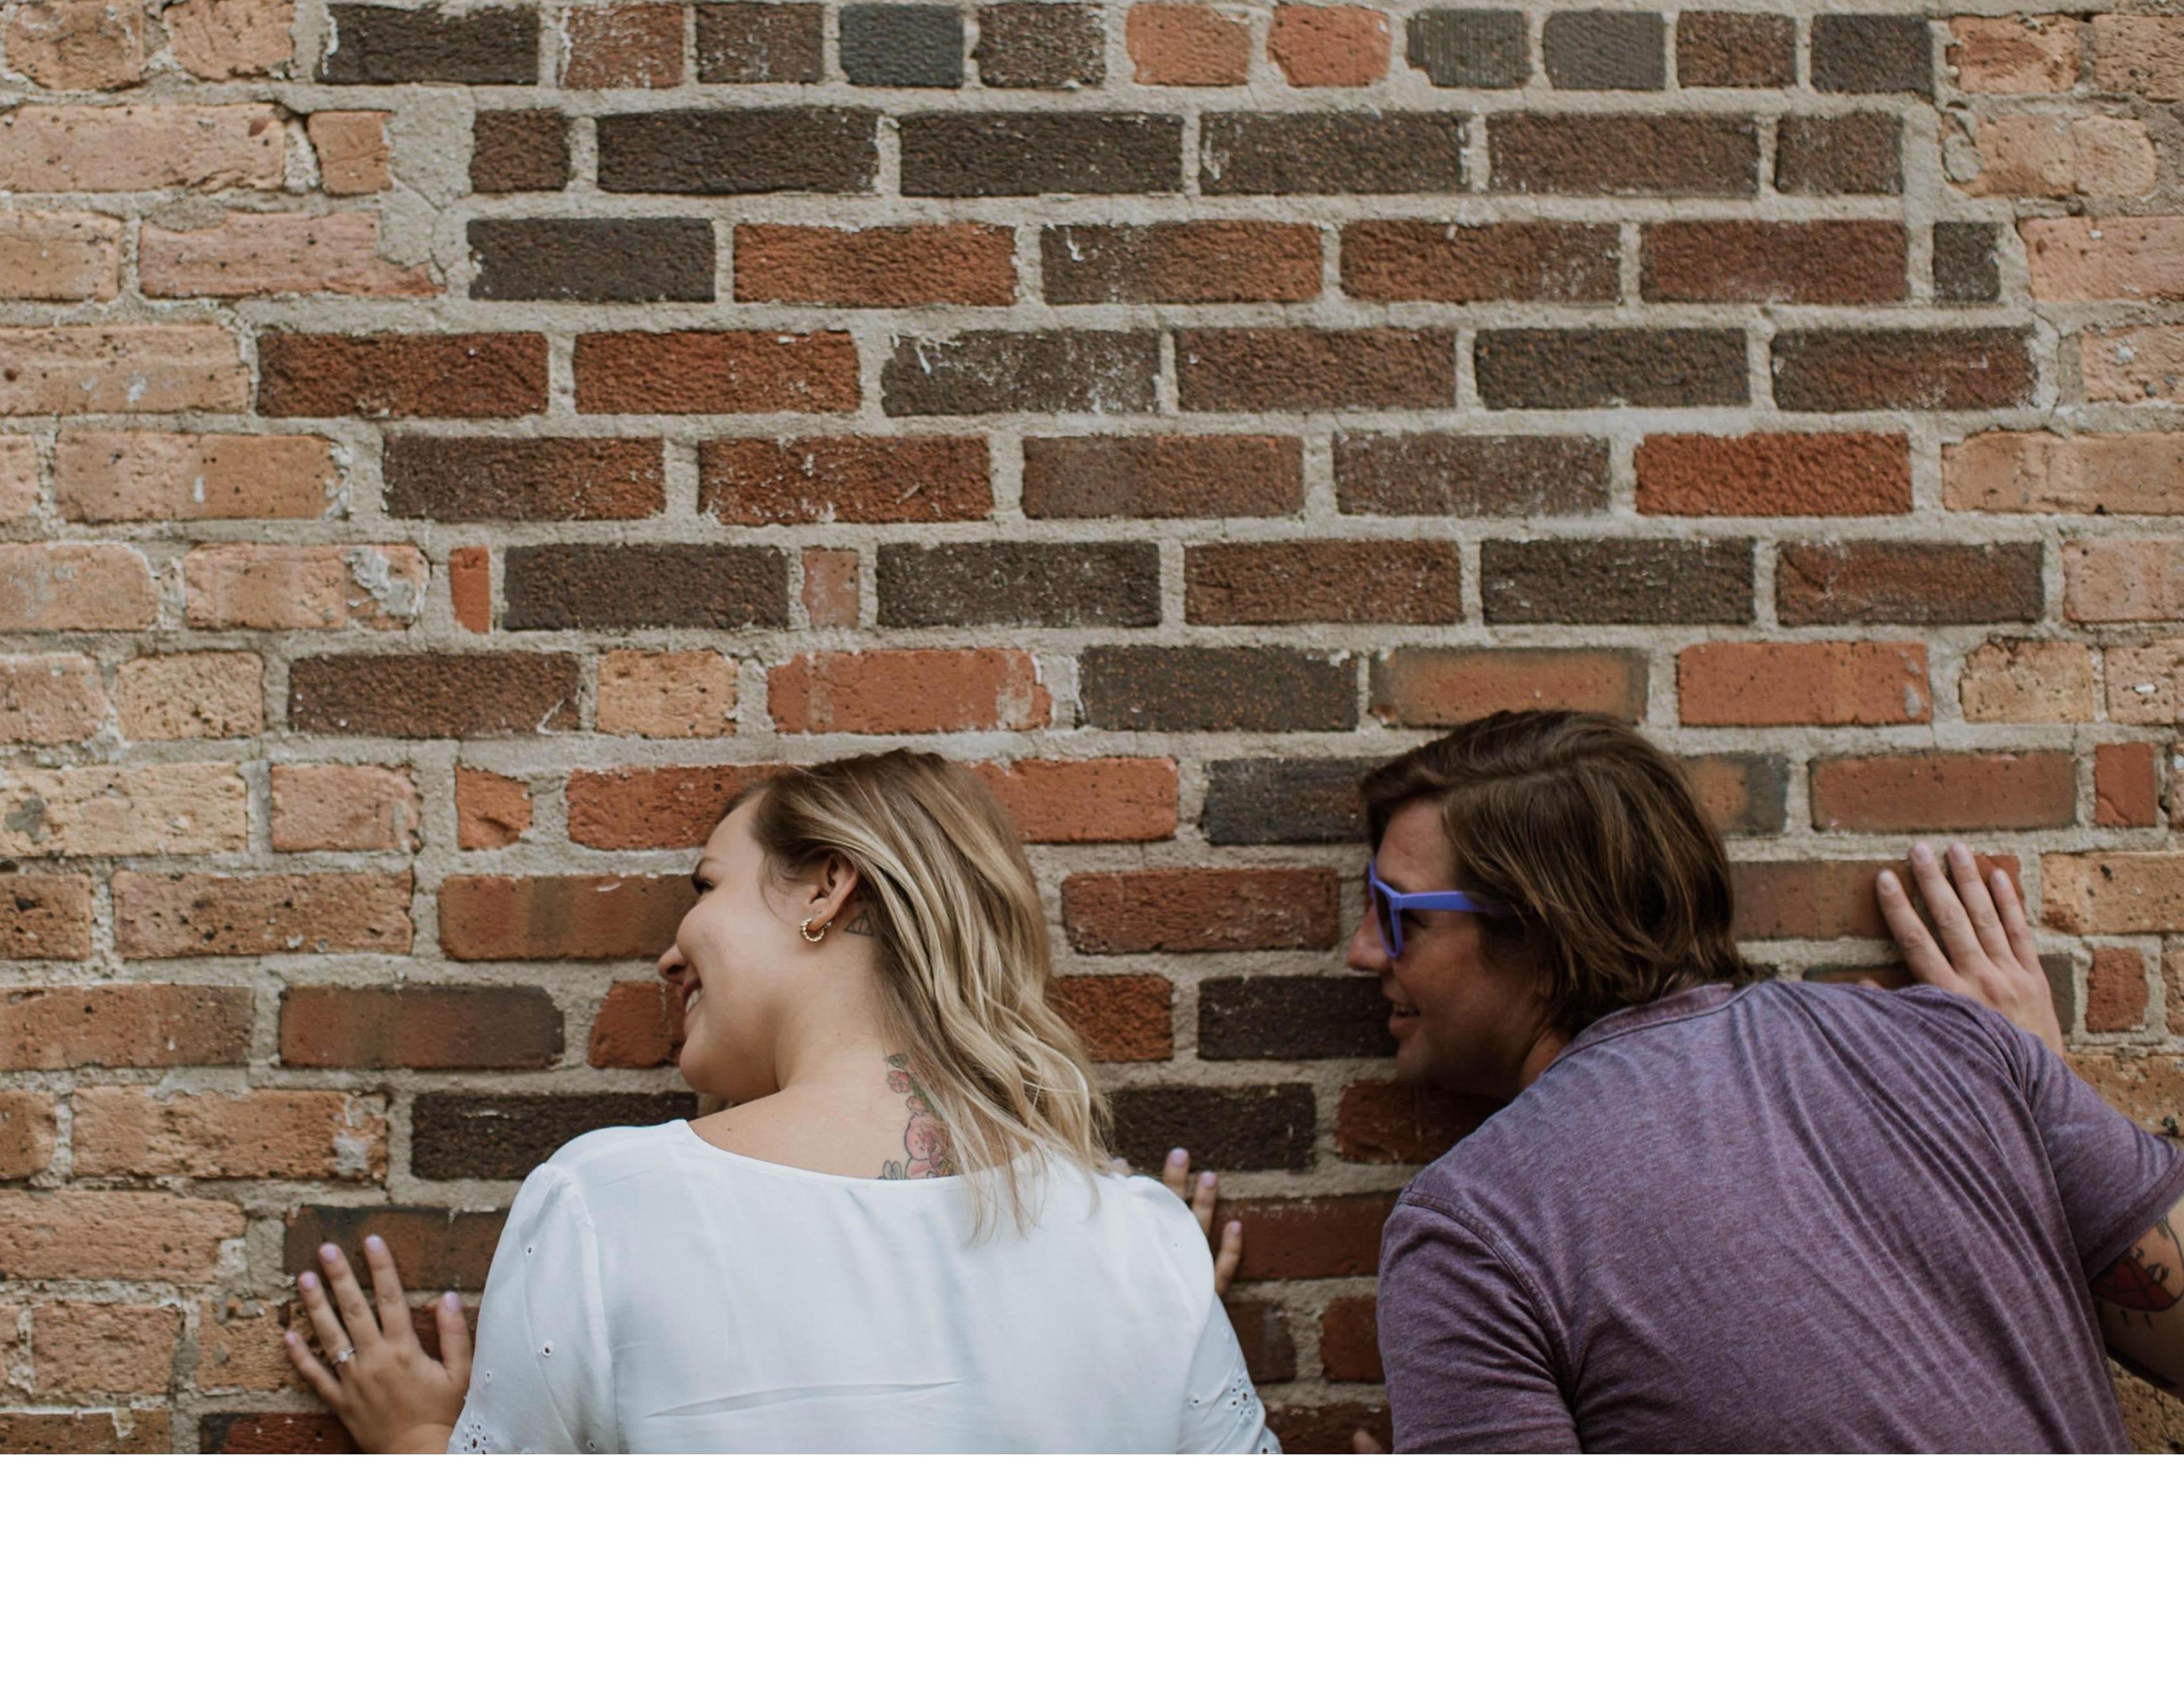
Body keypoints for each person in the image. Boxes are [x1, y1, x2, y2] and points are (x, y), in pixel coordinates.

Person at [286, 749, 1273, 1453]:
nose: (670, 950)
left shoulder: (612, 1204)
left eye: (707, 884)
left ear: (826, 889)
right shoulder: (1140, 1239)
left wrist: (418, 1440)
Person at [1353, 708, 2184, 1452]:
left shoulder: (1469, 1232)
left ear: (1538, 933)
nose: (1362, 952)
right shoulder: (1960, 1048)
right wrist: (2026, 1082)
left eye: (1400, 916)